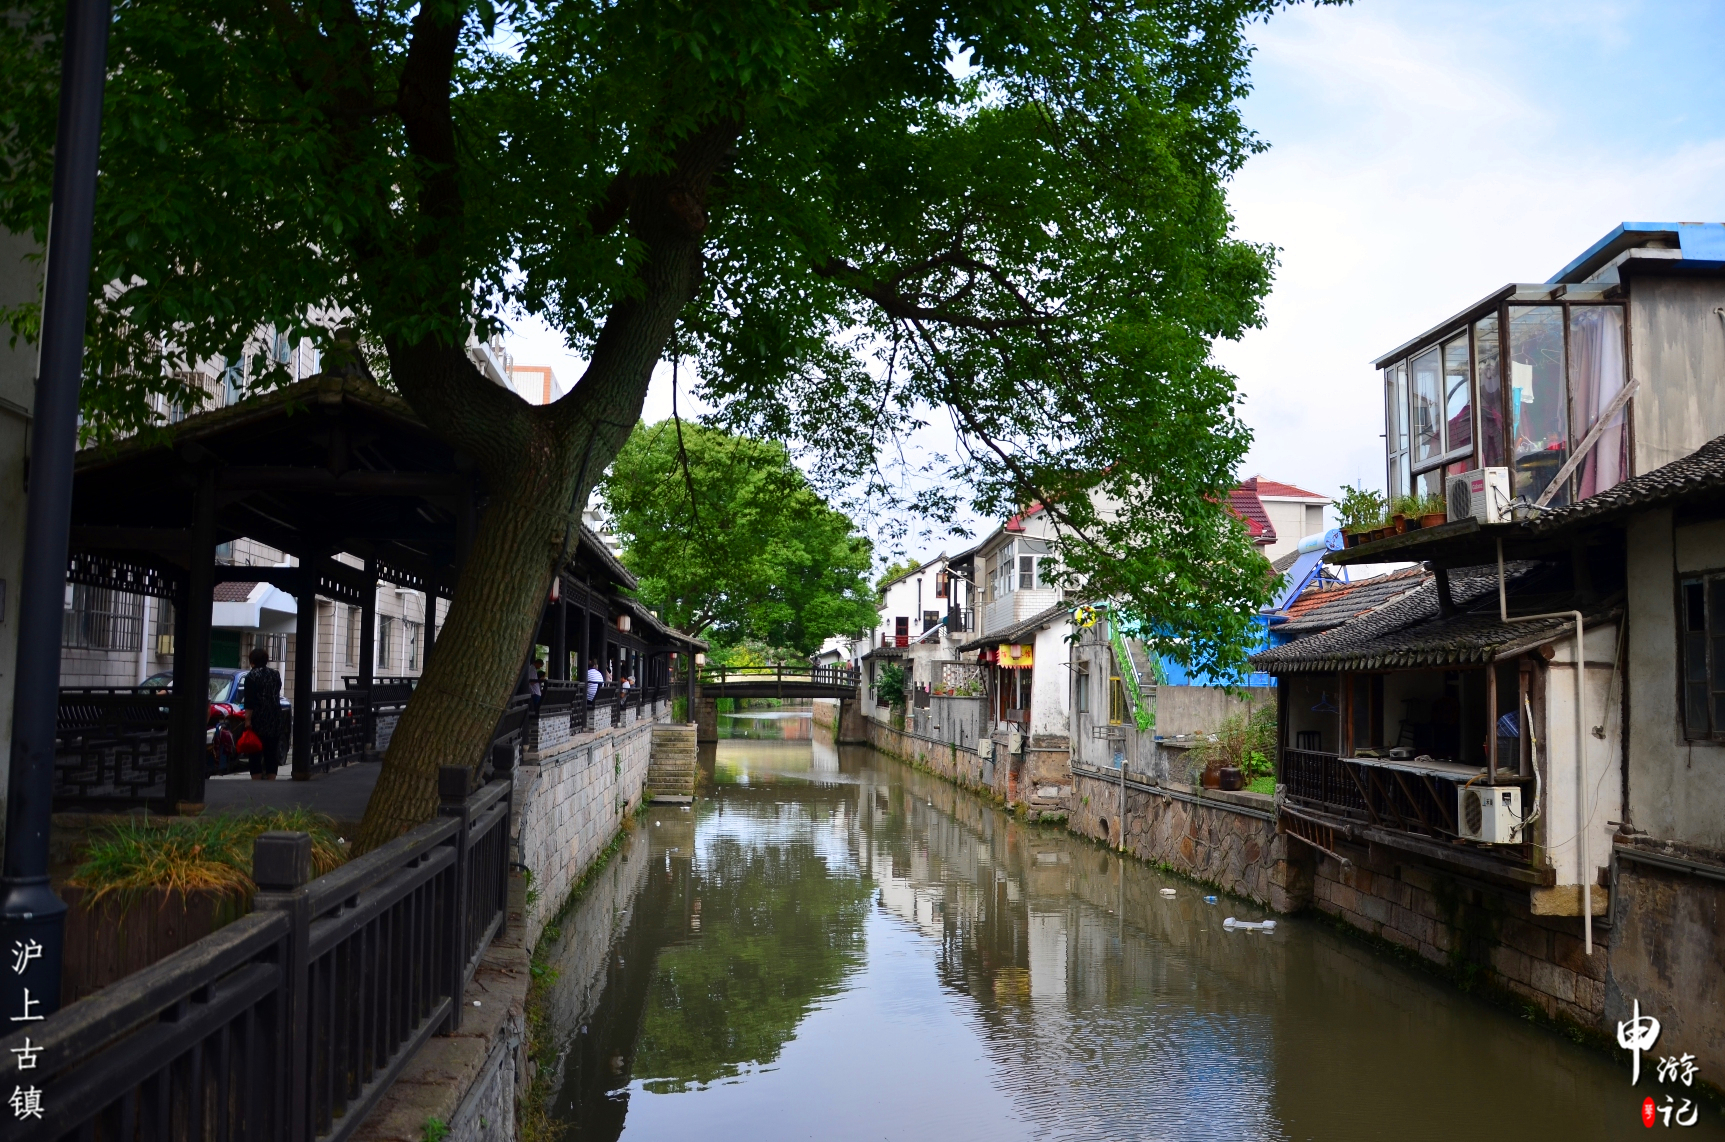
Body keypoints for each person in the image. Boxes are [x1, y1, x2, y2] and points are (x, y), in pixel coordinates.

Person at [241, 646, 284, 780]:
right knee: (271, 752)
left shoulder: (251, 676)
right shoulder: (275, 674)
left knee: (255, 751)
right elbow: (277, 691)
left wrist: (247, 720)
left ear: (252, 661)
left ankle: (256, 780)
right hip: (274, 717)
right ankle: (271, 779)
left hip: (258, 719)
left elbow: (249, 701)